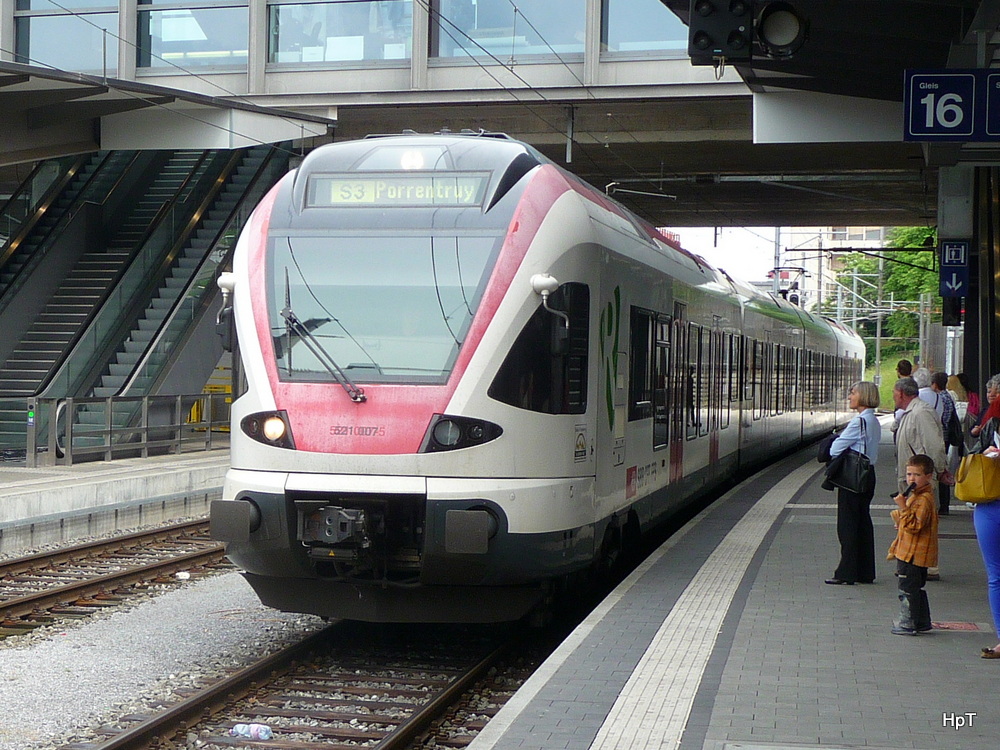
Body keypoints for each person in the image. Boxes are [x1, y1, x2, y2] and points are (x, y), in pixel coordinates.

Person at [825, 381, 880, 586]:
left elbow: (834, 450)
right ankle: (865, 572)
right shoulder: (872, 421)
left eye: (853, 393)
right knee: (863, 523)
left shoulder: (859, 422)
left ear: (863, 396)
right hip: (868, 474)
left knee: (847, 525)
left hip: (853, 478)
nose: (850, 396)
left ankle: (846, 572)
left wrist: (836, 439)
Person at [887, 453, 938, 635]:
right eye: (909, 474)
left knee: (907, 588)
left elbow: (915, 526)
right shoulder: (917, 495)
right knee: (916, 587)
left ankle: (908, 623)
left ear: (928, 477)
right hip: (912, 551)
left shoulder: (922, 499)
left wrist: (903, 507)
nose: (911, 479)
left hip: (912, 553)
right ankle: (922, 621)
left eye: (916, 475)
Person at [976, 435, 1000, 658]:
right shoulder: (991, 425)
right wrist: (985, 457)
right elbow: (971, 460)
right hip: (989, 505)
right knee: (996, 576)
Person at [932, 371, 960, 515]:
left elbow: (941, 419)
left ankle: (943, 504)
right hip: (947, 435)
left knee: (941, 469)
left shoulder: (940, 398)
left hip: (941, 436)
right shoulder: (948, 397)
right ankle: (944, 504)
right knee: (942, 467)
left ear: (935, 384)